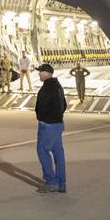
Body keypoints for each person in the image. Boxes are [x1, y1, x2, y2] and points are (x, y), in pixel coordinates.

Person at [34, 63, 66, 194]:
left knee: (42, 151)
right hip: (58, 124)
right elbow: (64, 105)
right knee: (58, 153)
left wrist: (41, 118)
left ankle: (51, 182)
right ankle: (61, 183)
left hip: (48, 125)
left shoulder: (47, 88)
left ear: (46, 73)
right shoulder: (58, 86)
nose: (38, 74)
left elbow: (41, 106)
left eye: (40, 71)